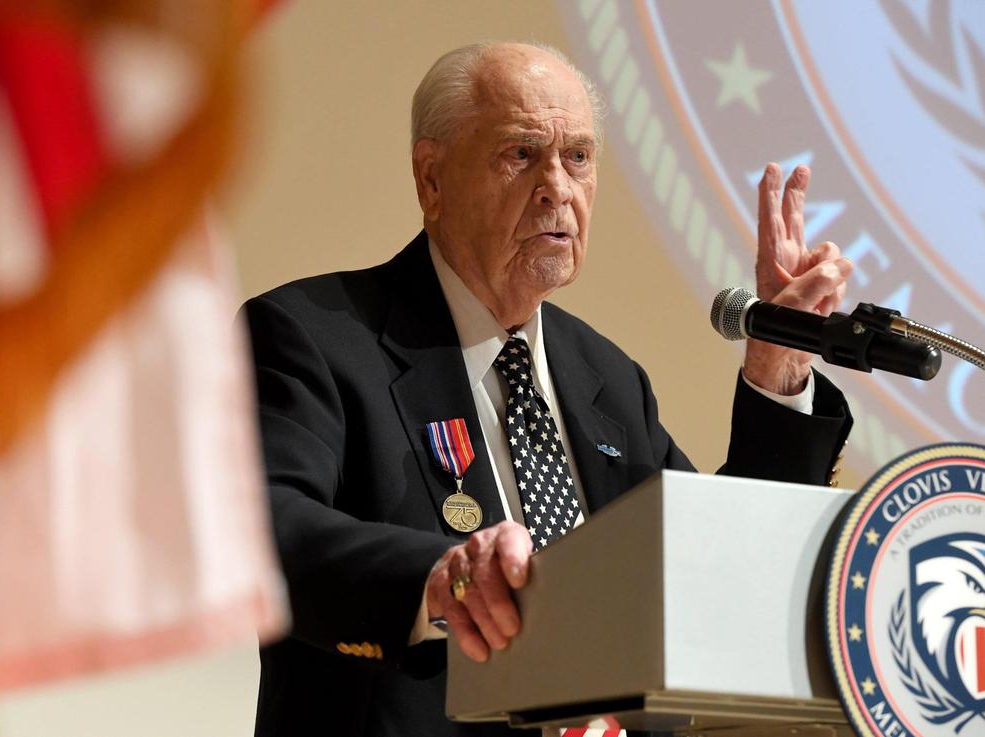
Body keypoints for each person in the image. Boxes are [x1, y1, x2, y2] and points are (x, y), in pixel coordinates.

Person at [244, 42, 853, 737]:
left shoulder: (608, 379)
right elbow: (265, 529)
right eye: (521, 153)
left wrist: (777, 366)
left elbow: (721, 568)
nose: (558, 188)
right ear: (431, 178)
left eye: (579, 157)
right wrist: (438, 578)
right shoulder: (315, 339)